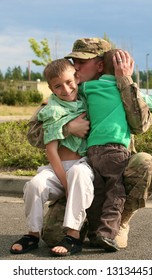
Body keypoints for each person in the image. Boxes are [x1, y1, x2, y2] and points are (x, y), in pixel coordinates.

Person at [64, 38, 152, 249]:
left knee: (144, 165)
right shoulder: (70, 89)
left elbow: (141, 125)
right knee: (54, 236)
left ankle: (118, 222)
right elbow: (37, 128)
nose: (75, 66)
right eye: (73, 61)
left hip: (107, 155)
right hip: (78, 168)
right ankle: (98, 226)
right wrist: (67, 128)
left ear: (99, 65)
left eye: (82, 62)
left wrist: (125, 81)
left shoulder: (118, 88)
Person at [10, 58, 94, 257]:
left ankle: (73, 236)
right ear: (51, 88)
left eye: (69, 82)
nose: (65, 89)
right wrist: (65, 183)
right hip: (57, 167)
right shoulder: (51, 110)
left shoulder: (87, 102)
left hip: (81, 164)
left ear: (77, 77)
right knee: (35, 185)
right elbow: (51, 151)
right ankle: (31, 235)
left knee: (79, 173)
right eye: (58, 86)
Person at [78, 48, 132, 251]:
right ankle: (107, 233)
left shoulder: (88, 87)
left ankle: (93, 233)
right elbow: (150, 103)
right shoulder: (123, 89)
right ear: (126, 68)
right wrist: (128, 81)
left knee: (97, 192)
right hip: (115, 150)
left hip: (93, 150)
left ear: (102, 67)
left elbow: (76, 89)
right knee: (115, 192)